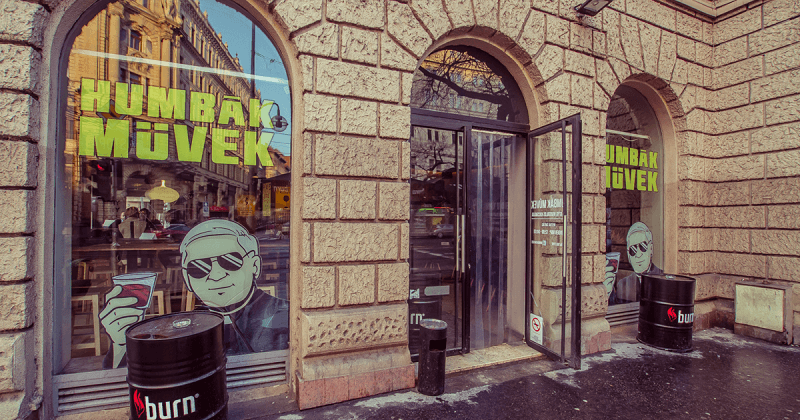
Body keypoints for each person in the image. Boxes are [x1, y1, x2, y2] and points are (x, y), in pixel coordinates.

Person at [99, 219, 288, 368]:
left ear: (255, 265)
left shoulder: (283, 316)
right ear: (187, 279)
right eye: (199, 267)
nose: (216, 275)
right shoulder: (182, 325)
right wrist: (120, 345)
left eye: (230, 261)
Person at [607, 222, 663, 304]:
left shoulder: (662, 279)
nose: (638, 254)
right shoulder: (623, 284)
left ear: (651, 248)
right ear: (628, 255)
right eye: (633, 250)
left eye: (643, 246)